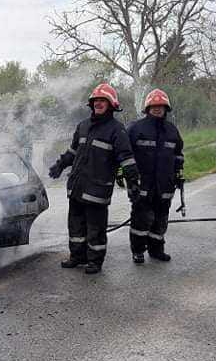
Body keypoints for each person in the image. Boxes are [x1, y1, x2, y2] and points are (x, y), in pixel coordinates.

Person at [48, 83, 139, 274]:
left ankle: (95, 260)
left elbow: (127, 159)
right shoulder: (83, 126)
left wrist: (133, 183)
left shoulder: (117, 130)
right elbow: (73, 151)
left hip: (98, 189)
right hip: (78, 187)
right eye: (95, 100)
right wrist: (60, 164)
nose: (98, 103)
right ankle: (77, 256)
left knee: (95, 228)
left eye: (102, 100)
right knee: (75, 225)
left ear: (111, 104)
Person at [126, 89, 184, 263]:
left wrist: (178, 174)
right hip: (142, 184)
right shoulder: (136, 128)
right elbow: (125, 155)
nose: (158, 109)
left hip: (165, 185)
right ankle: (138, 251)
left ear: (166, 109)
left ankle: (156, 250)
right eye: (154, 107)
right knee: (140, 220)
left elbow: (178, 155)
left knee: (160, 220)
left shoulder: (172, 130)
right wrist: (128, 179)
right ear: (148, 108)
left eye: (161, 107)